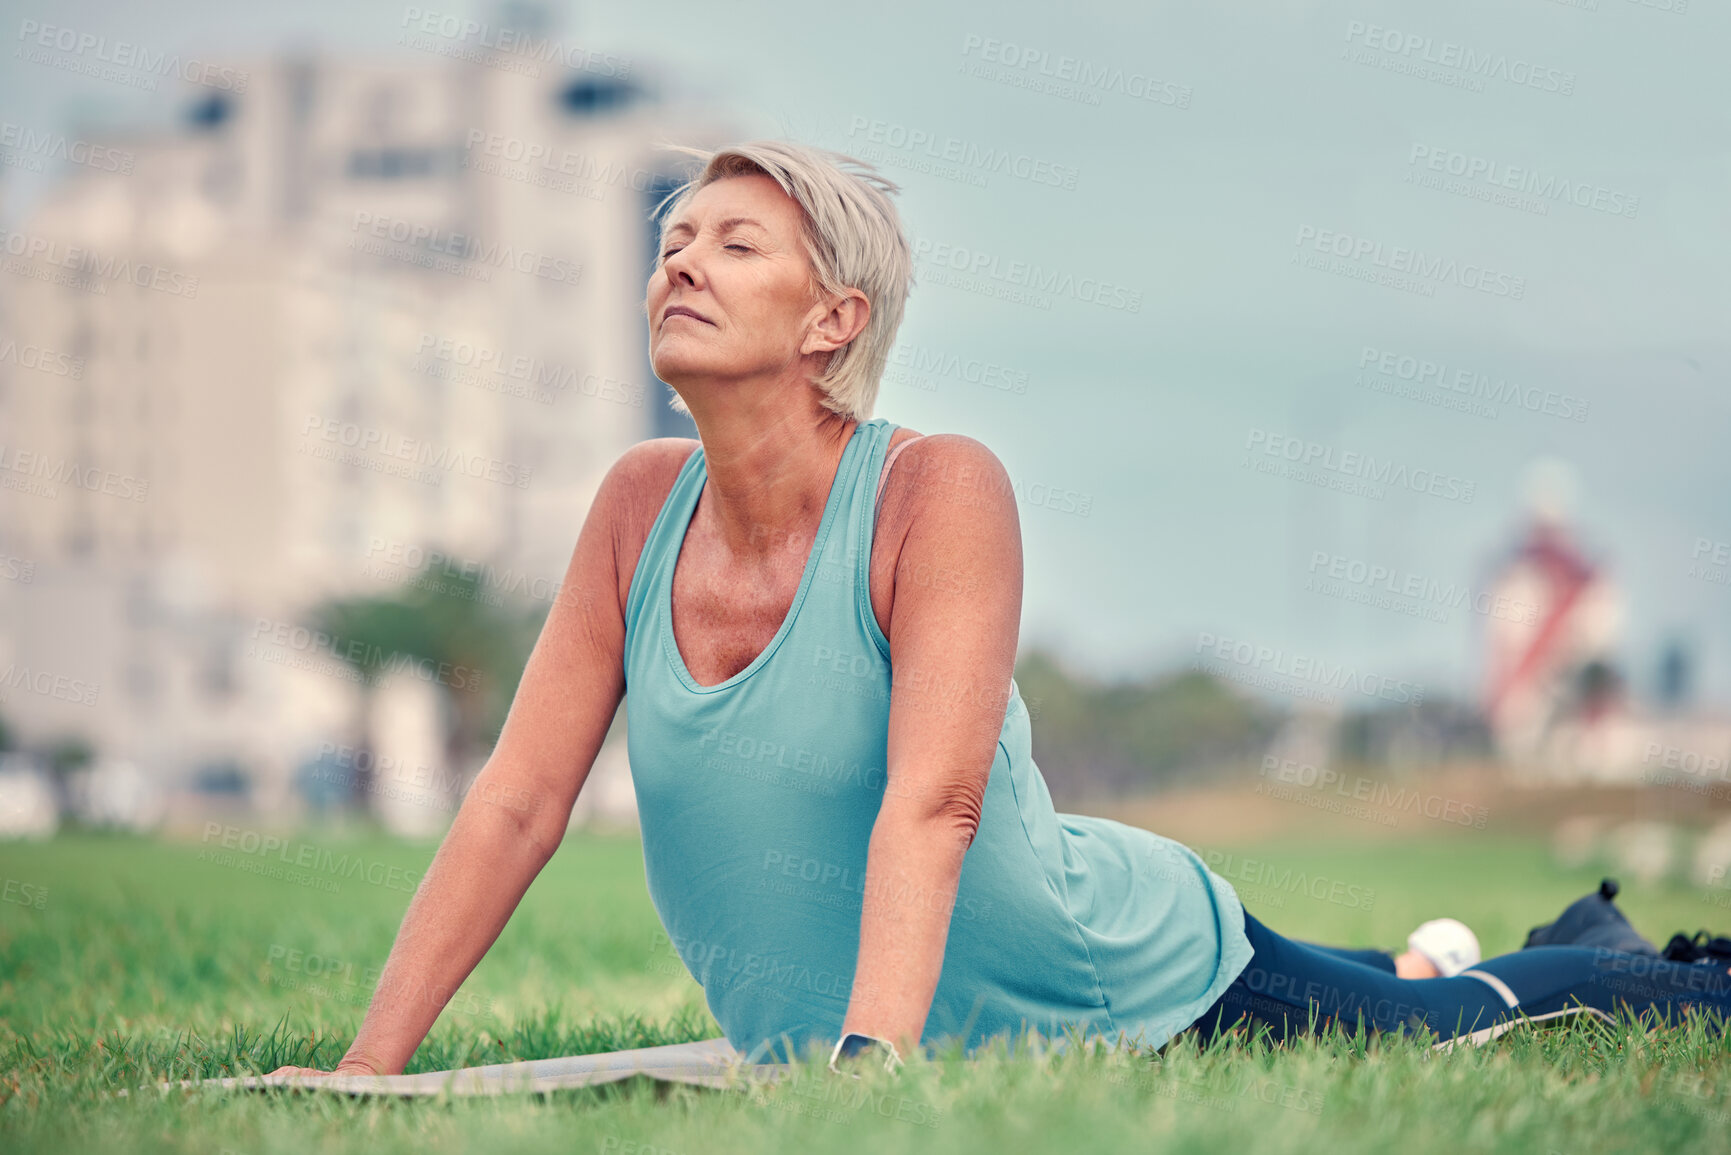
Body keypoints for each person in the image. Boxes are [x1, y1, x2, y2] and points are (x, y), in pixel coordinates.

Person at [270, 141, 1731, 1079]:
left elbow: (936, 805)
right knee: (1377, 979)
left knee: (1437, 1034)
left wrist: (869, 1070)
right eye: (672, 239)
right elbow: (520, 801)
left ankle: (1642, 972)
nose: (680, 262)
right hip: (931, 996)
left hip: (1109, 980)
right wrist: (362, 1075)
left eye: (733, 243)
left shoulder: (935, 490)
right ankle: (1513, 936)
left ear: (833, 320)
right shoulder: (633, 509)